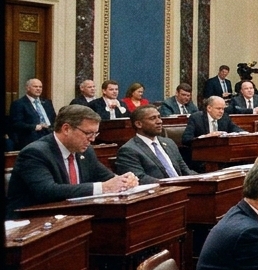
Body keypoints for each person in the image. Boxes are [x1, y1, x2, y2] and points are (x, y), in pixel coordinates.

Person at [7, 104, 140, 216]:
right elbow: (47, 191)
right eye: (88, 133)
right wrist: (104, 187)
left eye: (95, 134)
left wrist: (124, 180)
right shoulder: (35, 153)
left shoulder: (86, 151)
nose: (93, 139)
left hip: (73, 217)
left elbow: (106, 176)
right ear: (66, 129)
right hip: (32, 221)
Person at [115, 105, 196, 182]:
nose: (159, 121)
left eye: (159, 117)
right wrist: (172, 184)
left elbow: (185, 170)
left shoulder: (169, 143)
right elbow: (140, 179)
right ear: (139, 124)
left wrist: (203, 178)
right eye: (153, 118)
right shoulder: (129, 150)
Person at [9, 77, 57, 151]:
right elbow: (16, 124)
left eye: (40, 87)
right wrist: (35, 127)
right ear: (28, 88)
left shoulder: (47, 102)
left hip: (49, 134)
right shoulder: (19, 104)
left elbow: (54, 119)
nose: (38, 89)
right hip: (31, 136)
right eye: (35, 86)